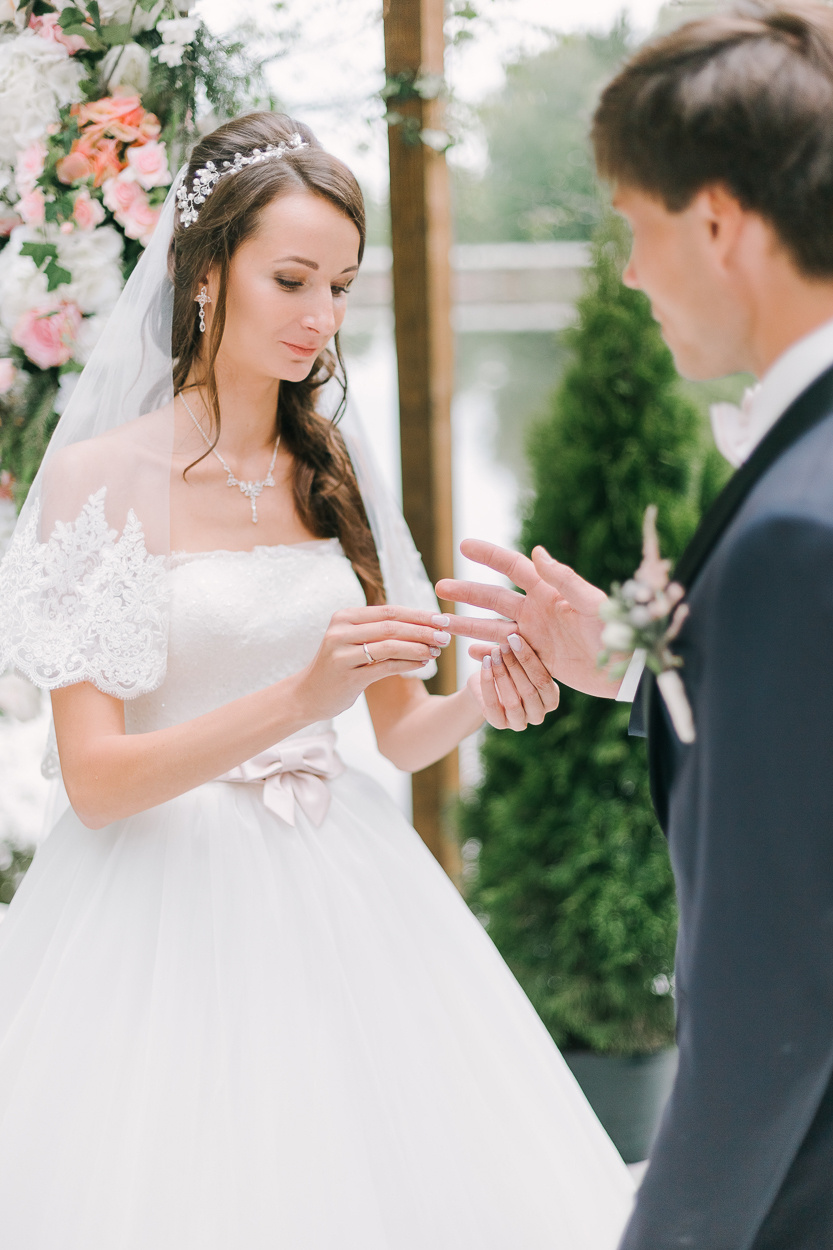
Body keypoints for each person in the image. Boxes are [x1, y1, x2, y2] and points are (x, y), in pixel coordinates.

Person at [0, 112, 635, 1248]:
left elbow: (397, 735)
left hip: (340, 876)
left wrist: (483, 694)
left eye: (340, 286)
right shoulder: (98, 481)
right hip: (152, 910)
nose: (322, 318)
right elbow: (92, 780)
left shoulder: (332, 463)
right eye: (292, 279)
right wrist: (295, 700)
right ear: (206, 275)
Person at [438, 4, 833, 1247]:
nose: (625, 272)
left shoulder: (789, 529)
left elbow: (771, 997)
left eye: (632, 226)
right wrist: (633, 658)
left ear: (715, 221)